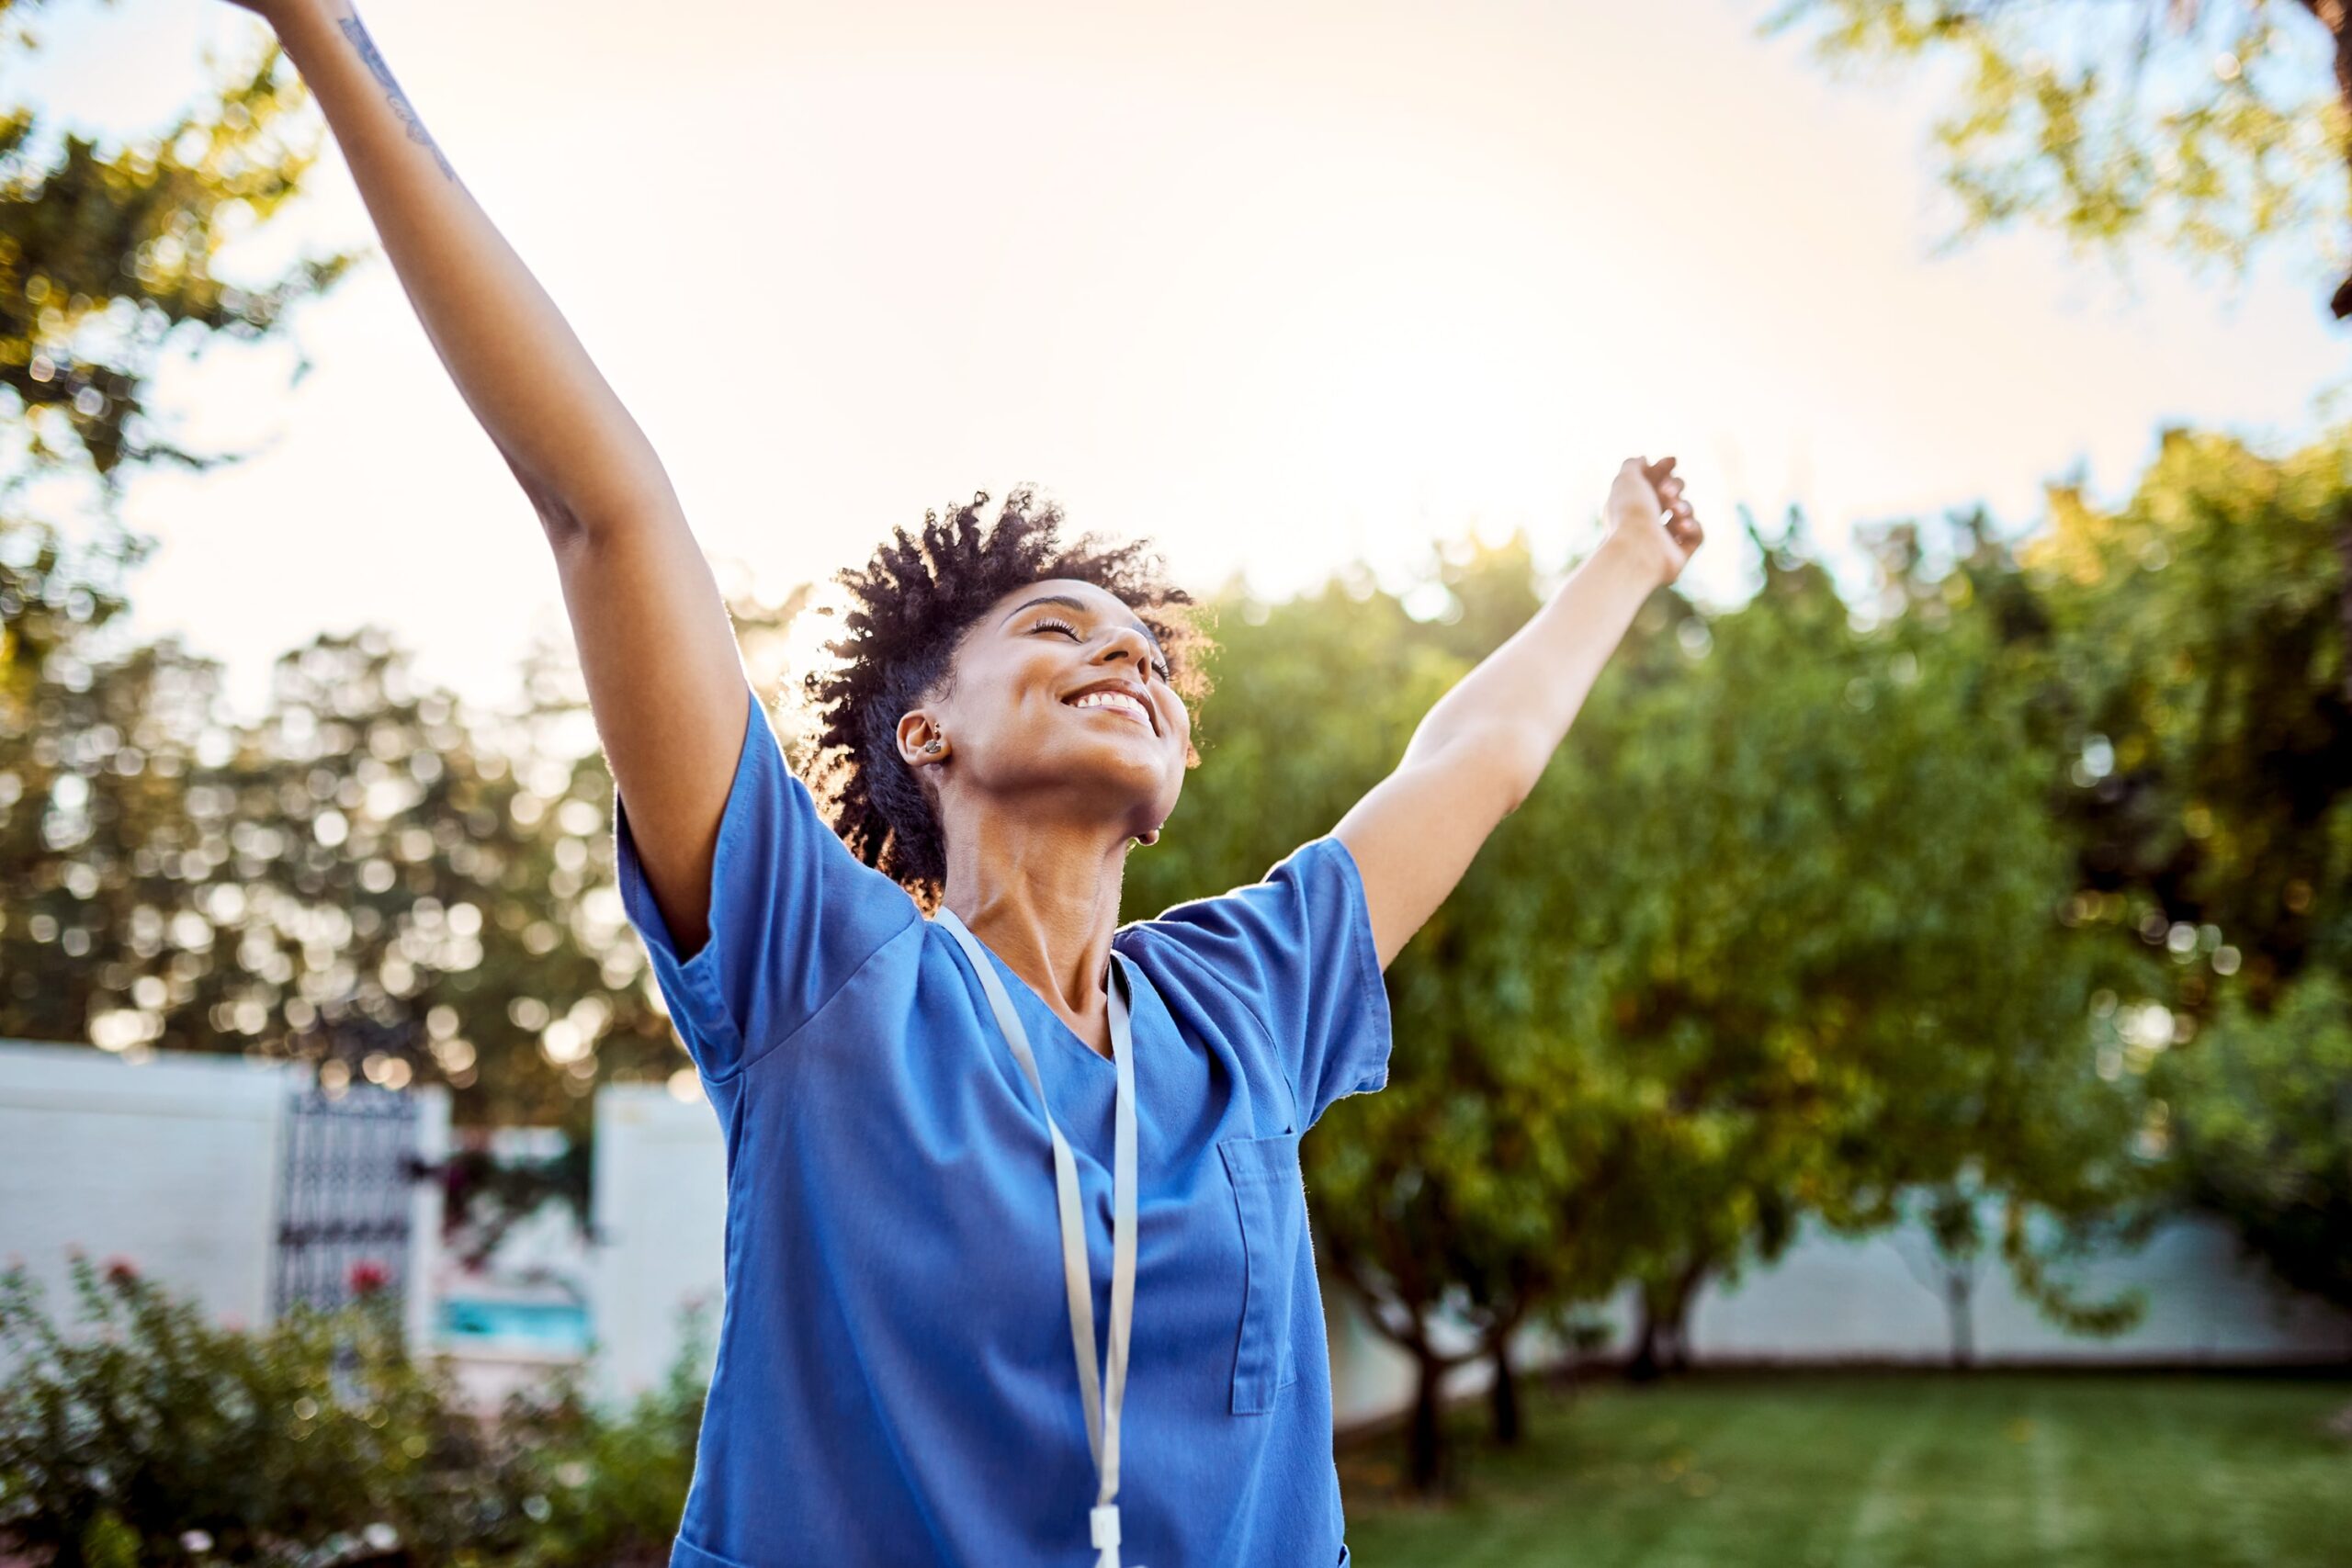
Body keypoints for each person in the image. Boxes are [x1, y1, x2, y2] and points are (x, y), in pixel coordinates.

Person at [219, 4, 1704, 1563]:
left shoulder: (1242, 1008)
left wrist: (1623, 558)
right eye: (1062, 630)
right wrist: (321, 31)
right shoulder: (825, 970)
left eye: (1154, 661)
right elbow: (605, 508)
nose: (1128, 660)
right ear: (922, 732)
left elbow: (1471, 757)